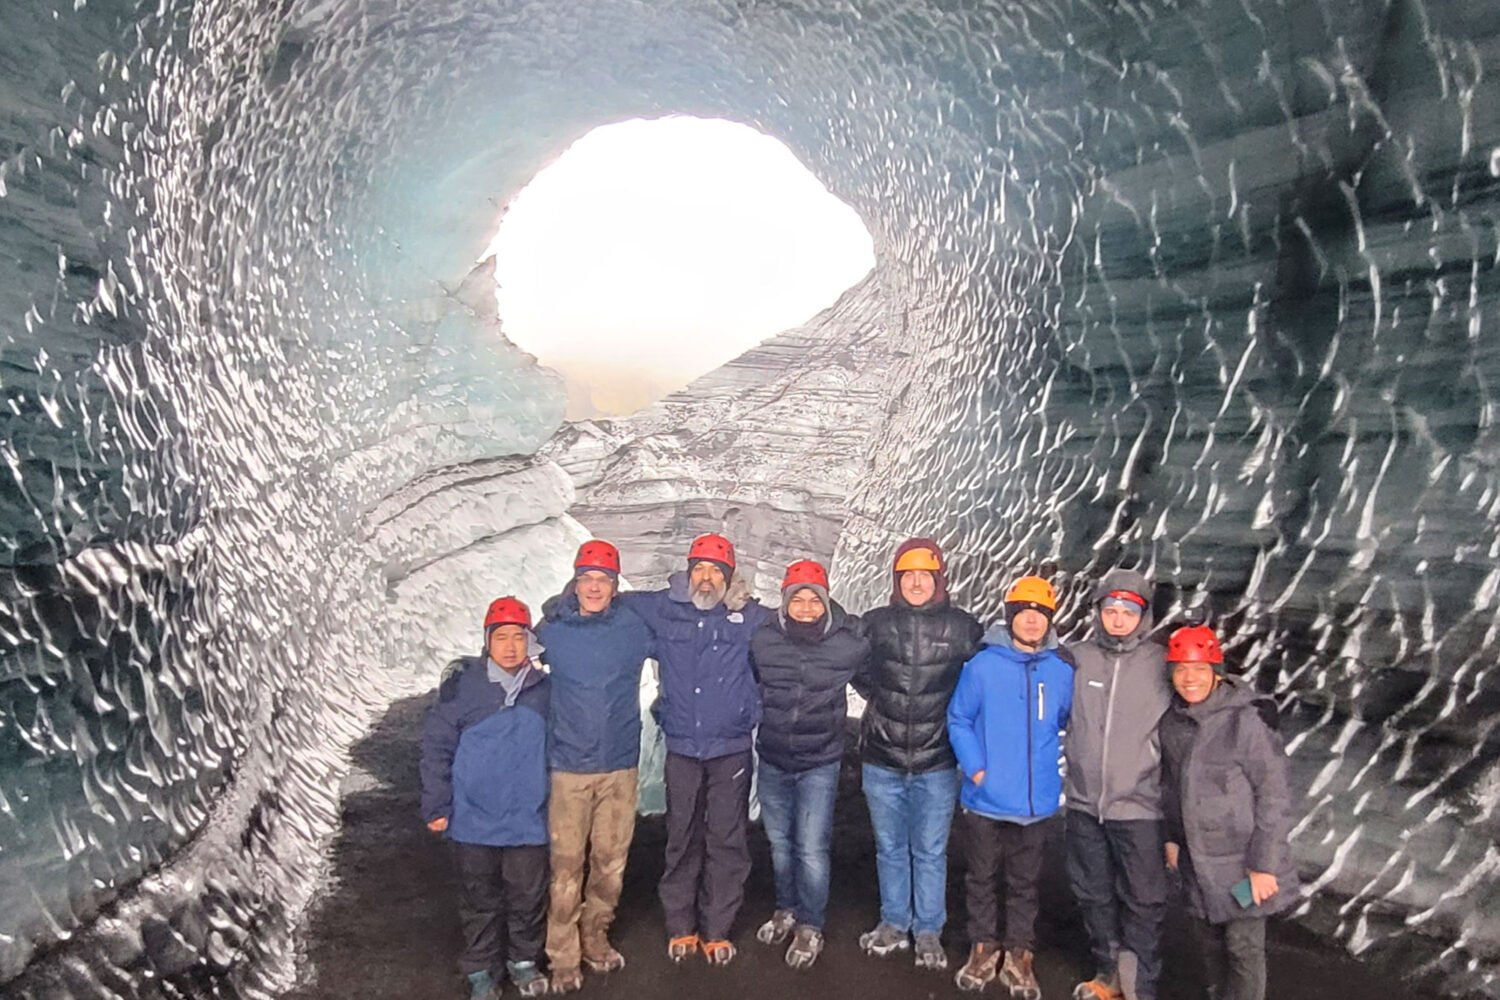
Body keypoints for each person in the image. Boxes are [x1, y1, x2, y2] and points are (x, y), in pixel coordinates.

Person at [617, 533, 772, 966]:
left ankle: (717, 928)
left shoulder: (750, 617)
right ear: (687, 574)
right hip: (683, 746)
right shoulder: (664, 611)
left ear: (728, 577)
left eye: (715, 572)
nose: (705, 579)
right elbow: (609, 598)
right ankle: (680, 926)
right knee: (681, 836)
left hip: (731, 748)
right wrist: (564, 603)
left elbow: (798, 622)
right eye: (699, 570)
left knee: (727, 838)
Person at [857, 537, 984, 971]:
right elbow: (855, 667)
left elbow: (983, 677)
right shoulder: (875, 624)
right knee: (890, 847)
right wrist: (881, 704)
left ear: (938, 580)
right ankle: (894, 921)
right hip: (882, 757)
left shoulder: (963, 628)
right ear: (896, 580)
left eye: (923, 576)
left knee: (930, 850)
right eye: (907, 575)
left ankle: (928, 929)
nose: (915, 583)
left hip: (936, 760)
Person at [535, 540, 654, 993]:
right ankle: (562, 955)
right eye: (587, 579)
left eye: (603, 580)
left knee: (610, 862)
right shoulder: (553, 628)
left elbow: (684, 637)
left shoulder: (633, 627)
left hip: (619, 764)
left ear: (614, 584)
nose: (594, 587)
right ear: (576, 581)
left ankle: (595, 935)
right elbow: (515, 662)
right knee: (565, 867)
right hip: (568, 765)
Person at [949, 576, 1075, 999]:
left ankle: (1020, 954)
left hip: (1034, 803)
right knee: (981, 878)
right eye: (1025, 613)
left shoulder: (1061, 671)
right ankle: (983, 947)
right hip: (986, 799)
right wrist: (976, 768)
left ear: (1049, 620)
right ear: (1011, 618)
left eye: (1040, 614)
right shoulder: (983, 665)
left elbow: (1066, 722)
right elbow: (960, 719)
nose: (1033, 621)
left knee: (1025, 883)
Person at [421, 597, 552, 1000]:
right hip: (474, 817)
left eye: (518, 637)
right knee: (480, 898)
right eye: (501, 637)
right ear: (487, 641)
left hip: (528, 819)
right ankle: (481, 967)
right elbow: (436, 748)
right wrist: (437, 805)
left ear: (529, 641)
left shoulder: (544, 690)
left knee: (527, 896)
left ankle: (523, 961)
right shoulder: (464, 689)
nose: (510, 646)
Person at [1159, 626, 1299, 1000]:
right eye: (1181, 670)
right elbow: (1171, 787)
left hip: (1243, 866)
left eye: (1200, 669)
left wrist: (1263, 865)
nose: (1190, 679)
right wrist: (1172, 838)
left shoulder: (1245, 721)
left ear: (1216, 673)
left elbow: (1273, 794)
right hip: (1198, 862)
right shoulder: (1173, 723)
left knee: (1242, 948)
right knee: (1210, 945)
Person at [750, 559, 871, 970]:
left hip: (820, 760)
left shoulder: (848, 641)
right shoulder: (763, 638)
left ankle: (810, 924)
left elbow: (875, 673)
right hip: (773, 756)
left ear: (826, 601)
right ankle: (786, 907)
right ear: (784, 602)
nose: (805, 607)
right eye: (796, 599)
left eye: (812, 599)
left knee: (811, 848)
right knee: (781, 844)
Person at [1064, 570, 1172, 1000]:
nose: (1118, 618)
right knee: (1094, 893)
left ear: (1143, 616)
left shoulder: (1162, 664)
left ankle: (1138, 983)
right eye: (1110, 609)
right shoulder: (1077, 658)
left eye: (1128, 611)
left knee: (1143, 900)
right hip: (1085, 803)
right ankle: (1107, 972)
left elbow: (1202, 692)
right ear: (1097, 612)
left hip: (1140, 807)